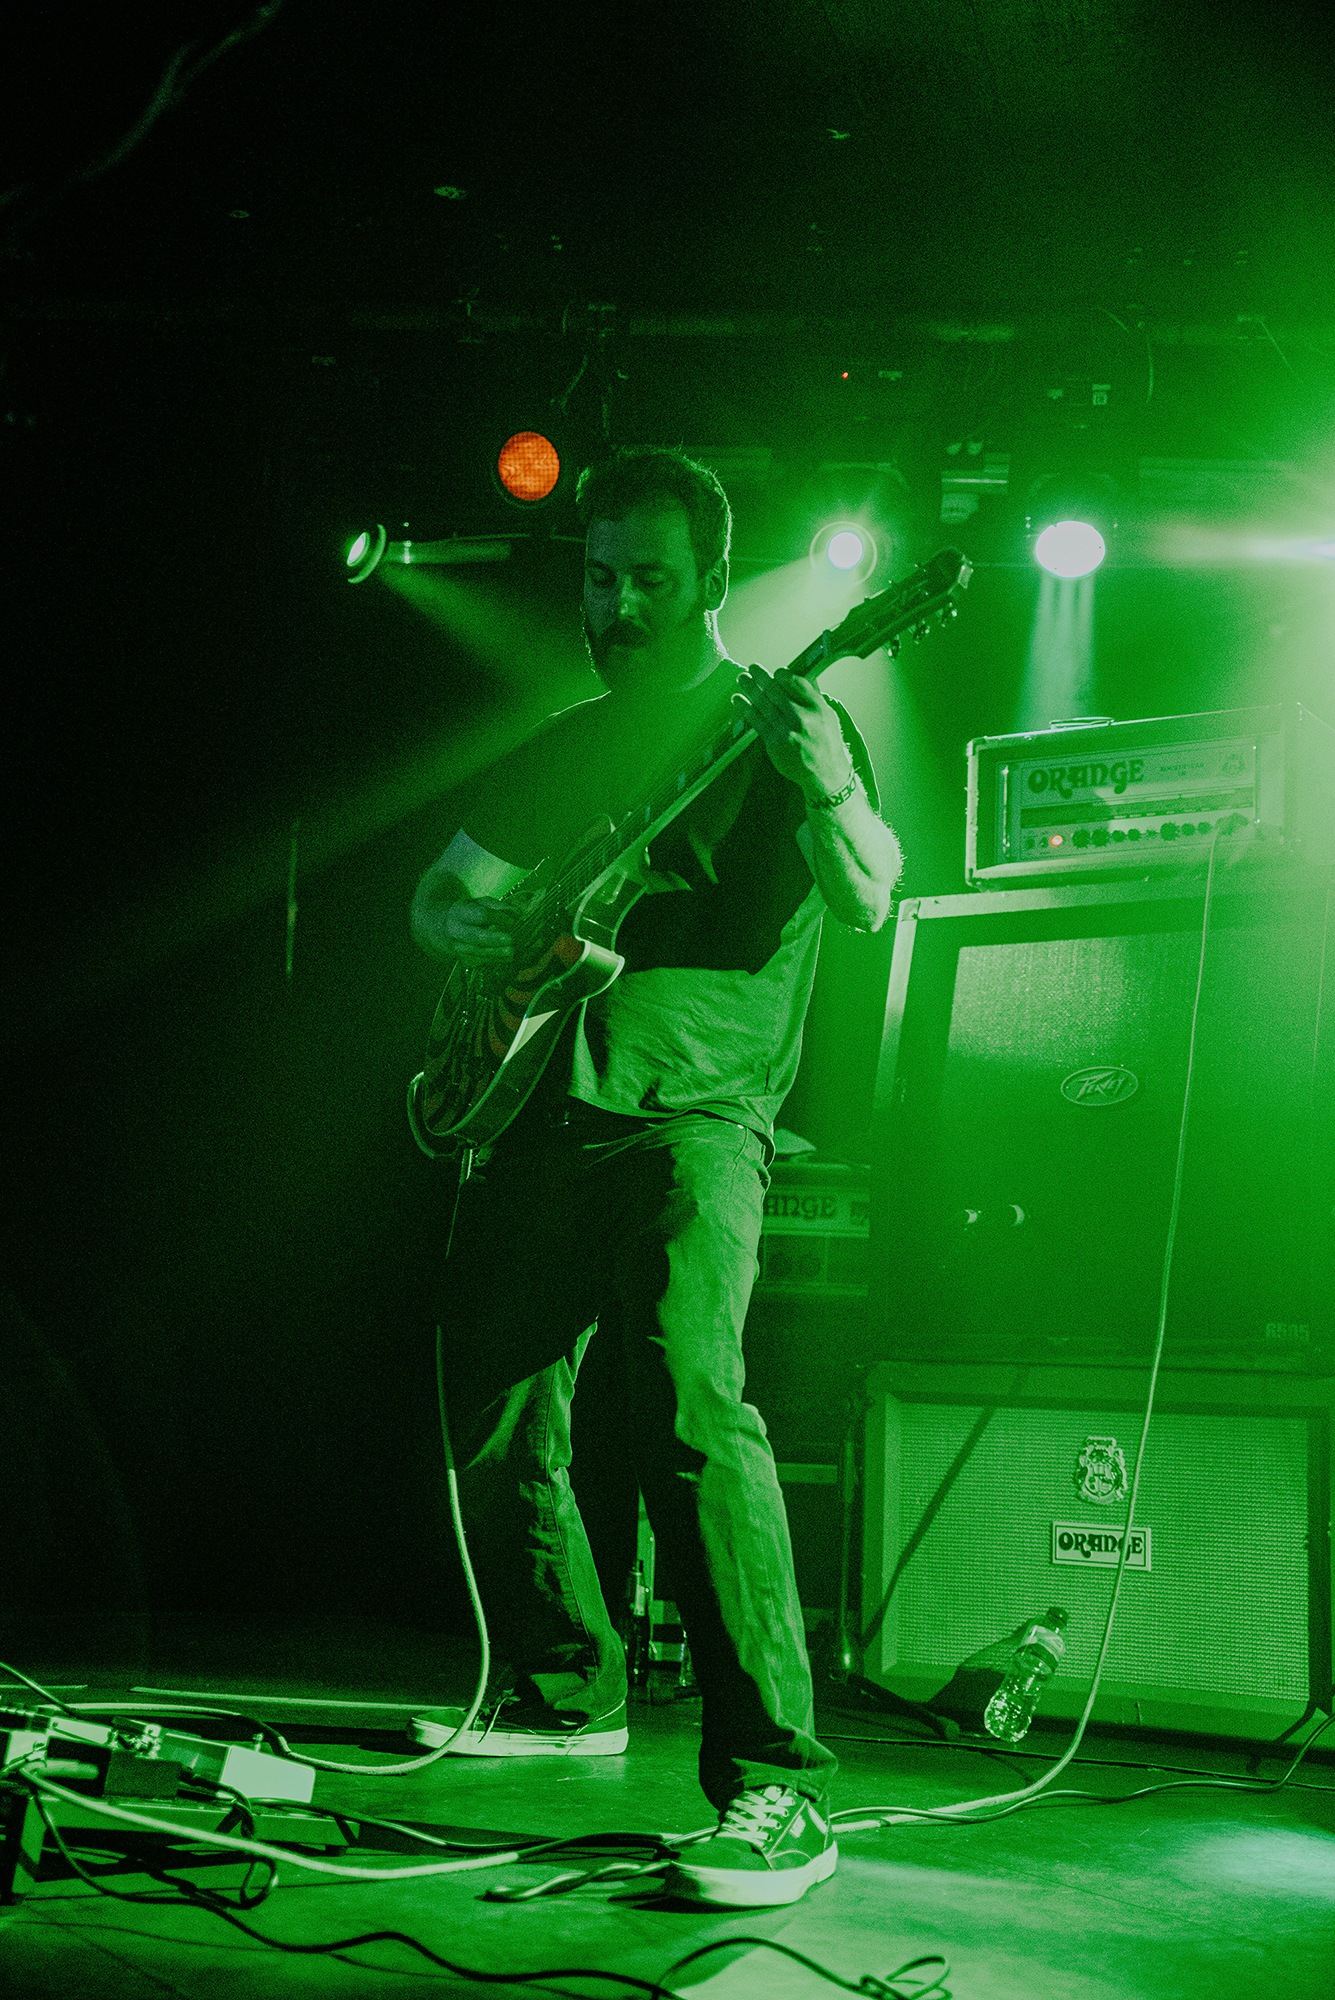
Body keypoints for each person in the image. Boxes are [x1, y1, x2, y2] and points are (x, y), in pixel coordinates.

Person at [407, 446, 901, 1907]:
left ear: (713, 582)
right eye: (601, 577)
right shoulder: (565, 743)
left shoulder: (788, 720)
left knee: (690, 1404)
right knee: (492, 1400)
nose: (619, 605)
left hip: (695, 1112)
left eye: (650, 580)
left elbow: (873, 892)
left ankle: (777, 1787)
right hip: (539, 1107)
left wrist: (825, 787)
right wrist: (470, 933)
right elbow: (443, 891)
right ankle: (566, 1687)